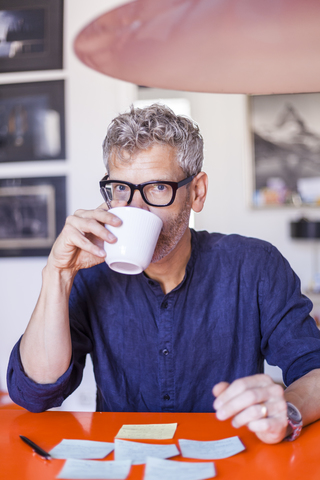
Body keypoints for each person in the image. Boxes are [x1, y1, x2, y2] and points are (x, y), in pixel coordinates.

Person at [7, 104, 320, 444]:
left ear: (196, 192)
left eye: (157, 188)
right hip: (125, 465)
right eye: (121, 189)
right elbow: (35, 393)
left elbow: (314, 368)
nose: (135, 208)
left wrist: (285, 410)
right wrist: (58, 273)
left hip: (230, 462)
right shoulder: (90, 273)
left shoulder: (254, 265)